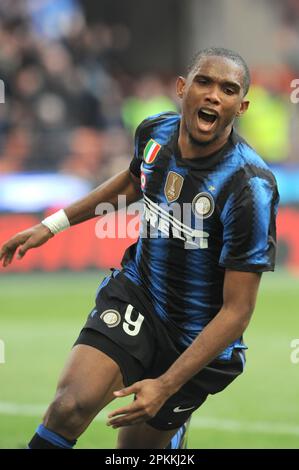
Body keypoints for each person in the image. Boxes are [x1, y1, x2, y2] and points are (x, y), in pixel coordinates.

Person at [0, 47, 279, 449]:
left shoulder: (249, 186)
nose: (214, 95)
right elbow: (135, 181)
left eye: (228, 89)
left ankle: (171, 435)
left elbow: (237, 311)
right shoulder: (155, 134)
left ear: (242, 107)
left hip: (197, 335)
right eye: (204, 81)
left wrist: (165, 384)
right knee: (68, 407)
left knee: (134, 452)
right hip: (139, 298)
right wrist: (54, 224)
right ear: (182, 88)